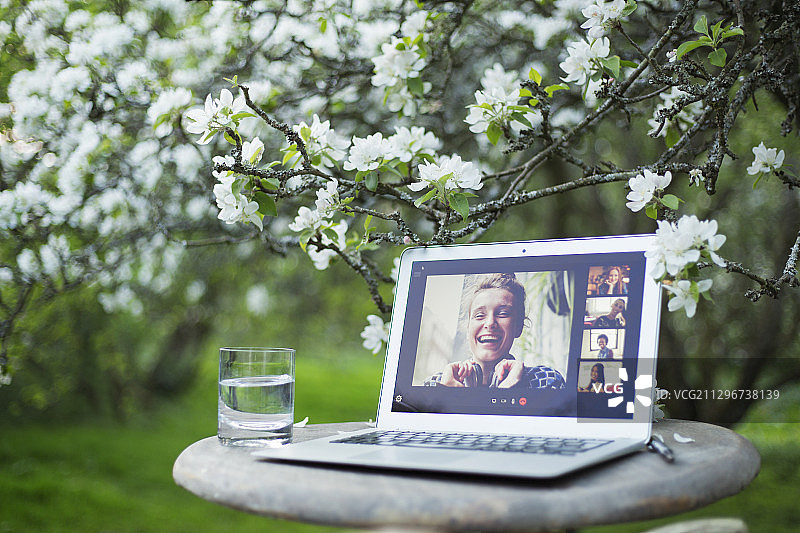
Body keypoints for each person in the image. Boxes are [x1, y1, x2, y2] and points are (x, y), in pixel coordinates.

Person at [424, 273, 565, 389]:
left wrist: (511, 394)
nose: (490, 323)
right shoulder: (435, 384)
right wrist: (447, 397)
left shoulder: (546, 382)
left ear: (518, 327)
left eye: (503, 313)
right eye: (479, 315)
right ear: (467, 328)